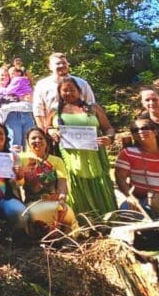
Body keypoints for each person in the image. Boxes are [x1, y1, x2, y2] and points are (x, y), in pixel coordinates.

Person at [46, 77, 117, 217]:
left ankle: (106, 218)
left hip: (94, 156)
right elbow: (46, 128)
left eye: (72, 90)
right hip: (68, 156)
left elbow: (109, 128)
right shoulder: (55, 111)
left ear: (79, 91)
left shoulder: (93, 108)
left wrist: (109, 138)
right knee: (73, 185)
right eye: (64, 90)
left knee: (99, 183)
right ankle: (81, 220)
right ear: (59, 92)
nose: (69, 93)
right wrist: (50, 131)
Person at [17, 127, 76, 237]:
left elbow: (62, 181)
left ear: (46, 141)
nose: (37, 141)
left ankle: (64, 238)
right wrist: (19, 174)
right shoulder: (21, 159)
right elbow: (18, 184)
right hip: (33, 203)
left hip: (55, 201)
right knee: (39, 215)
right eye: (33, 138)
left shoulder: (56, 161)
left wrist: (62, 197)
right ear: (28, 142)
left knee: (68, 212)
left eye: (41, 138)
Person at [33, 52, 96, 129]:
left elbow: (91, 104)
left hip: (82, 128)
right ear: (50, 66)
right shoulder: (42, 85)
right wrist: (43, 131)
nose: (62, 66)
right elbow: (38, 110)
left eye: (64, 63)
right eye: (58, 63)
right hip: (53, 130)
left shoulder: (81, 83)